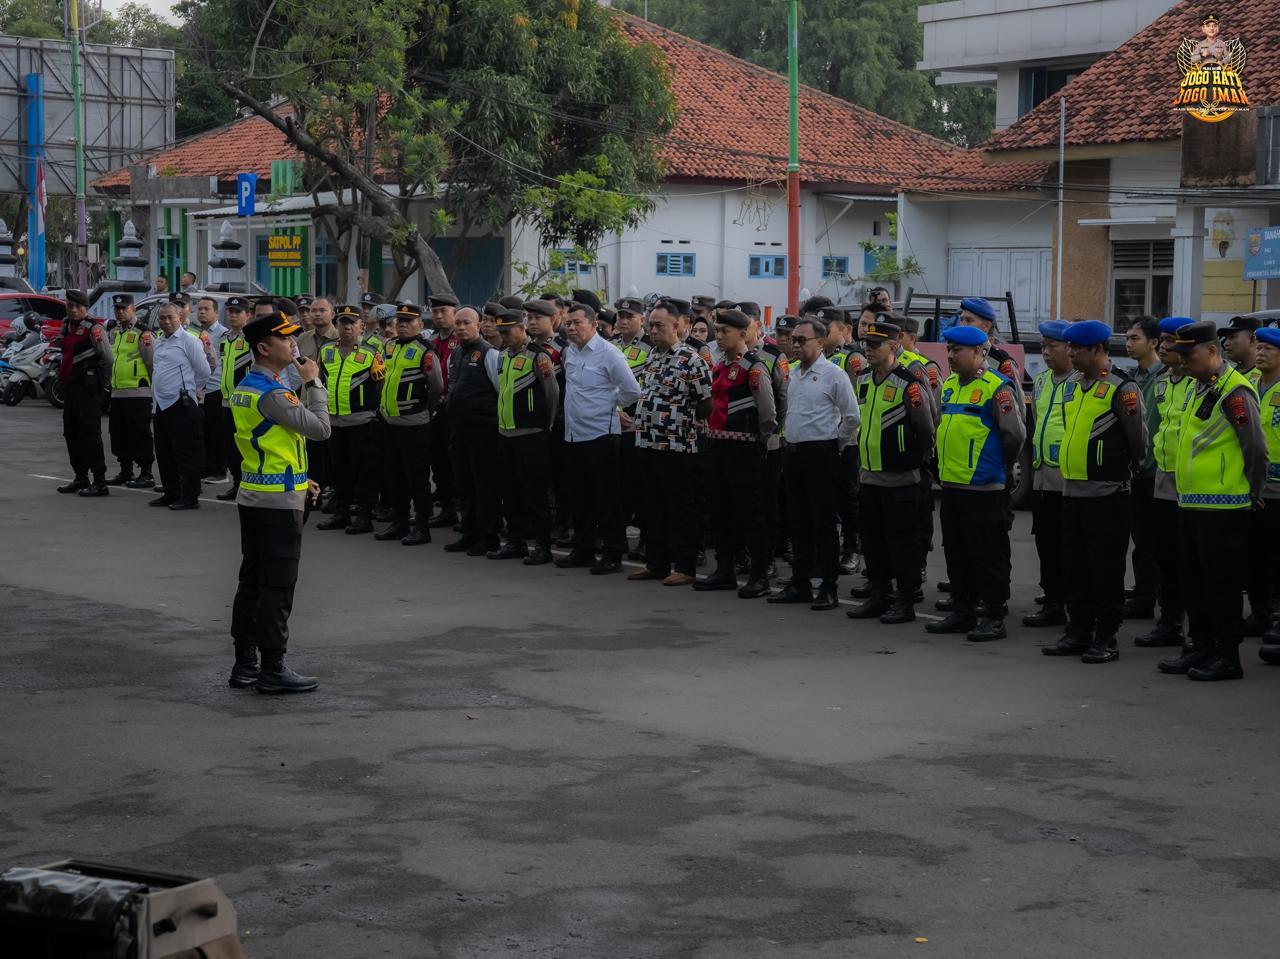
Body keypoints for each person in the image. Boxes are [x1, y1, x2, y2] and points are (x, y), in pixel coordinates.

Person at [1157, 321, 1267, 681]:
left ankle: (1227, 655)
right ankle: (1201, 646)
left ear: (1210, 351)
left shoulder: (1235, 390)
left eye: (1189, 354)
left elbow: (1255, 446)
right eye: (1180, 355)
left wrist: (1254, 490)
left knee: (1221, 585)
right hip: (1191, 502)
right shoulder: (1196, 386)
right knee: (1194, 582)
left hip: (1223, 505)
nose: (1183, 361)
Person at [228, 311, 331, 694]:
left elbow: (275, 444)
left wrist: (302, 478)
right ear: (263, 347)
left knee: (251, 581)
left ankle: (245, 664)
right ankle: (273, 667)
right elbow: (320, 429)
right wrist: (314, 382)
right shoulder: (274, 393)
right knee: (278, 587)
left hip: (256, 494)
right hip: (278, 505)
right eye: (285, 340)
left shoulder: (248, 385)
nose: (293, 345)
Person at [1042, 320, 1146, 665]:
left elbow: (1137, 440)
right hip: (1071, 492)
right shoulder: (1072, 386)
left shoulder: (1122, 388)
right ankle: (1078, 630)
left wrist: (1119, 471)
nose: (1070, 353)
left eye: (1078, 349)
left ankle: (1106, 635)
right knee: (1074, 567)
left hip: (1107, 494)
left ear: (1099, 350)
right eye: (1069, 348)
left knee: (1104, 569)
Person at [925, 325, 1026, 641]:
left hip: (984, 488)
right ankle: (962, 610)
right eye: (949, 350)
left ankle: (993, 616)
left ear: (978, 352)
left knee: (988, 554)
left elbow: (1015, 436)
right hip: (953, 486)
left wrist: (996, 466)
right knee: (956, 551)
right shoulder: (951, 385)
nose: (951, 356)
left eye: (957, 350)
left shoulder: (998, 388)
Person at [768, 317, 859, 611]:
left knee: (823, 523)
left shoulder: (834, 374)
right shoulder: (792, 373)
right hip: (793, 453)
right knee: (798, 521)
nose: (795, 345)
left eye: (801, 340)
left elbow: (852, 417)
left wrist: (836, 444)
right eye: (793, 340)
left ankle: (828, 587)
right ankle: (801, 582)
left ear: (820, 343)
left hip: (821, 453)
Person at [845, 319, 933, 623]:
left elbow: (925, 426)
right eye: (866, 344)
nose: (868, 350)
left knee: (903, 543)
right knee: (874, 541)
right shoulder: (864, 379)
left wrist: (912, 457)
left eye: (875, 345)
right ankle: (879, 595)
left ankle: (905, 600)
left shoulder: (908, 383)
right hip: (869, 476)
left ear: (894, 346)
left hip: (900, 478)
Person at [694, 308, 777, 598]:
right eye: (718, 330)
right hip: (718, 446)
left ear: (743, 334)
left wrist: (758, 443)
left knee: (749, 513)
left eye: (725, 331)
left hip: (744, 448)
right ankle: (724, 570)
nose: (719, 336)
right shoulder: (718, 365)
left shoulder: (753, 368)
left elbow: (768, 413)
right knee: (720, 511)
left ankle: (759, 574)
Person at [629, 300, 712, 586]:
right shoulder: (652, 356)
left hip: (678, 447)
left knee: (682, 508)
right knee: (653, 507)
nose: (652, 330)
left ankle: (685, 566)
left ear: (678, 326)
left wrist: (680, 421)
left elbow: (705, 403)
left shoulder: (692, 359)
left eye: (659, 325)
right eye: (650, 325)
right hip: (649, 443)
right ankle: (657, 563)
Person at [555, 300, 641, 575]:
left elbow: (631, 390)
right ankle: (583, 549)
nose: (571, 328)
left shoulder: (609, 354)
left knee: (606, 497)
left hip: (600, 434)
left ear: (593, 324)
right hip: (573, 433)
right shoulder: (570, 352)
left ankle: (613, 552)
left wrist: (613, 408)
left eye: (577, 322)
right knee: (579, 496)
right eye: (568, 323)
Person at [1135, 317, 1197, 649]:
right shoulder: (1163, 382)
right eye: (1161, 339)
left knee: (1188, 560)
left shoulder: (1200, 383)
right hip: (1163, 479)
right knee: (1165, 556)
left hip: (1191, 484)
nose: (1163, 346)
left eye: (1170, 340)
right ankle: (1170, 621)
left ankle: (1194, 628)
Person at [491, 306, 559, 564]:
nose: (503, 336)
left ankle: (543, 545)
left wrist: (545, 426)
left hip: (531, 435)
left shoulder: (538, 356)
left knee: (535, 493)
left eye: (507, 331)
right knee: (510, 491)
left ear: (521, 328)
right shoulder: (502, 356)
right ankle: (515, 542)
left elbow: (552, 394)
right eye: (500, 332)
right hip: (506, 434)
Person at [375, 301, 444, 546]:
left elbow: (436, 386)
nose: (402, 326)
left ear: (419, 324)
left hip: (414, 423)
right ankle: (400, 522)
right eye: (399, 322)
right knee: (393, 476)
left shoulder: (425, 350)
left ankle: (422, 526)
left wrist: (427, 410)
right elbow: (381, 377)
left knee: (417, 477)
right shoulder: (389, 347)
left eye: (408, 322)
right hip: (389, 421)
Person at [313, 305, 384, 536]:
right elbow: (320, 382)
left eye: (352, 323)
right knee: (338, 470)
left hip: (362, 422)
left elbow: (380, 387)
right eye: (343, 323)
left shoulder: (372, 352)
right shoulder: (326, 351)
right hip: (334, 423)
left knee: (364, 471)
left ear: (361, 326)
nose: (347, 327)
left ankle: (363, 516)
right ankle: (341, 512)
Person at [1023, 321, 1072, 629]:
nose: (1045, 352)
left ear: (1070, 348)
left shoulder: (1080, 381)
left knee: (1069, 544)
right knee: (1046, 542)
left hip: (1069, 477)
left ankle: (1070, 600)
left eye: (1052, 346)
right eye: (1043, 346)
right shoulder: (1041, 381)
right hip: (1043, 475)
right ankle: (1052, 599)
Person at [444, 306, 503, 555]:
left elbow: (501, 391)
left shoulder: (490, 354)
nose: (461, 327)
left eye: (466, 323)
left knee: (484, 485)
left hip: (484, 429)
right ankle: (468, 533)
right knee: (464, 483)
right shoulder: (454, 354)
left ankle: (488, 537)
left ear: (479, 325)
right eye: (457, 323)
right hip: (459, 427)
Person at [149, 301, 210, 510]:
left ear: (180, 318)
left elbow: (203, 372)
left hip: (181, 404)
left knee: (186, 453)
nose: (166, 322)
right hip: (160, 405)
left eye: (170, 318)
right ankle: (170, 492)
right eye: (162, 318)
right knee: (164, 452)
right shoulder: (159, 342)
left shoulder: (189, 341)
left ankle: (190, 496)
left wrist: (192, 391)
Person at [1123, 316, 1163, 620]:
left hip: (1159, 474)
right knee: (1141, 539)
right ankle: (1144, 592)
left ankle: (1157, 595)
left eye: (1135, 338)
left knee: (1158, 540)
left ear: (1154, 342)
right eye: (1127, 337)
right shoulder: (1132, 377)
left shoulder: (1164, 377)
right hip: (1137, 472)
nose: (1128, 343)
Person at [55, 290, 113, 497]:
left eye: (76, 306)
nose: (72, 309)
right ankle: (80, 477)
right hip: (70, 389)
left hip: (88, 390)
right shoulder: (67, 325)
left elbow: (107, 358)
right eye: (69, 305)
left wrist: (104, 386)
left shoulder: (93, 328)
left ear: (85, 308)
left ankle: (99, 481)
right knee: (71, 433)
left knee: (90, 436)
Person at [105, 294, 155, 490]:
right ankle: (126, 470)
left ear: (133, 309)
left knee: (140, 434)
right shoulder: (114, 332)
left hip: (138, 392)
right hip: (117, 392)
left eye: (123, 308)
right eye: (117, 308)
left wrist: (152, 388)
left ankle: (146, 472)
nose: (120, 312)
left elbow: (151, 363)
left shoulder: (143, 333)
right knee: (118, 434)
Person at [1253, 327, 1280, 664]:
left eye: (1269, 348)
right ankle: (1261, 613)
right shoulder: (1249, 385)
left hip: (1279, 487)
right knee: (1256, 557)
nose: (1260, 353)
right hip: (1254, 487)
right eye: (1258, 347)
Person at [215, 297, 254, 502]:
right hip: (227, 401)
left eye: (238, 312)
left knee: (246, 447)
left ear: (248, 315)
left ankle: (249, 484)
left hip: (245, 403)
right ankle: (237, 483)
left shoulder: (251, 339)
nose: (233, 315)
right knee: (231, 447)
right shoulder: (224, 338)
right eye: (230, 311)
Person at [427, 293, 460, 528]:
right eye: (435, 312)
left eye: (444, 312)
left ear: (454, 313)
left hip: (454, 410)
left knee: (455, 462)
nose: (439, 316)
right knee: (438, 461)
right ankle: (446, 507)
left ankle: (460, 507)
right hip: (434, 408)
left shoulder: (461, 339)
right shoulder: (430, 341)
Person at [192, 296, 229, 482]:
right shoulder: (195, 332)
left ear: (216, 312)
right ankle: (206, 467)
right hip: (200, 389)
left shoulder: (223, 334)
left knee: (217, 432)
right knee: (203, 431)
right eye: (199, 309)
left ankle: (219, 471)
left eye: (206, 309)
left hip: (215, 387)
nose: (202, 312)